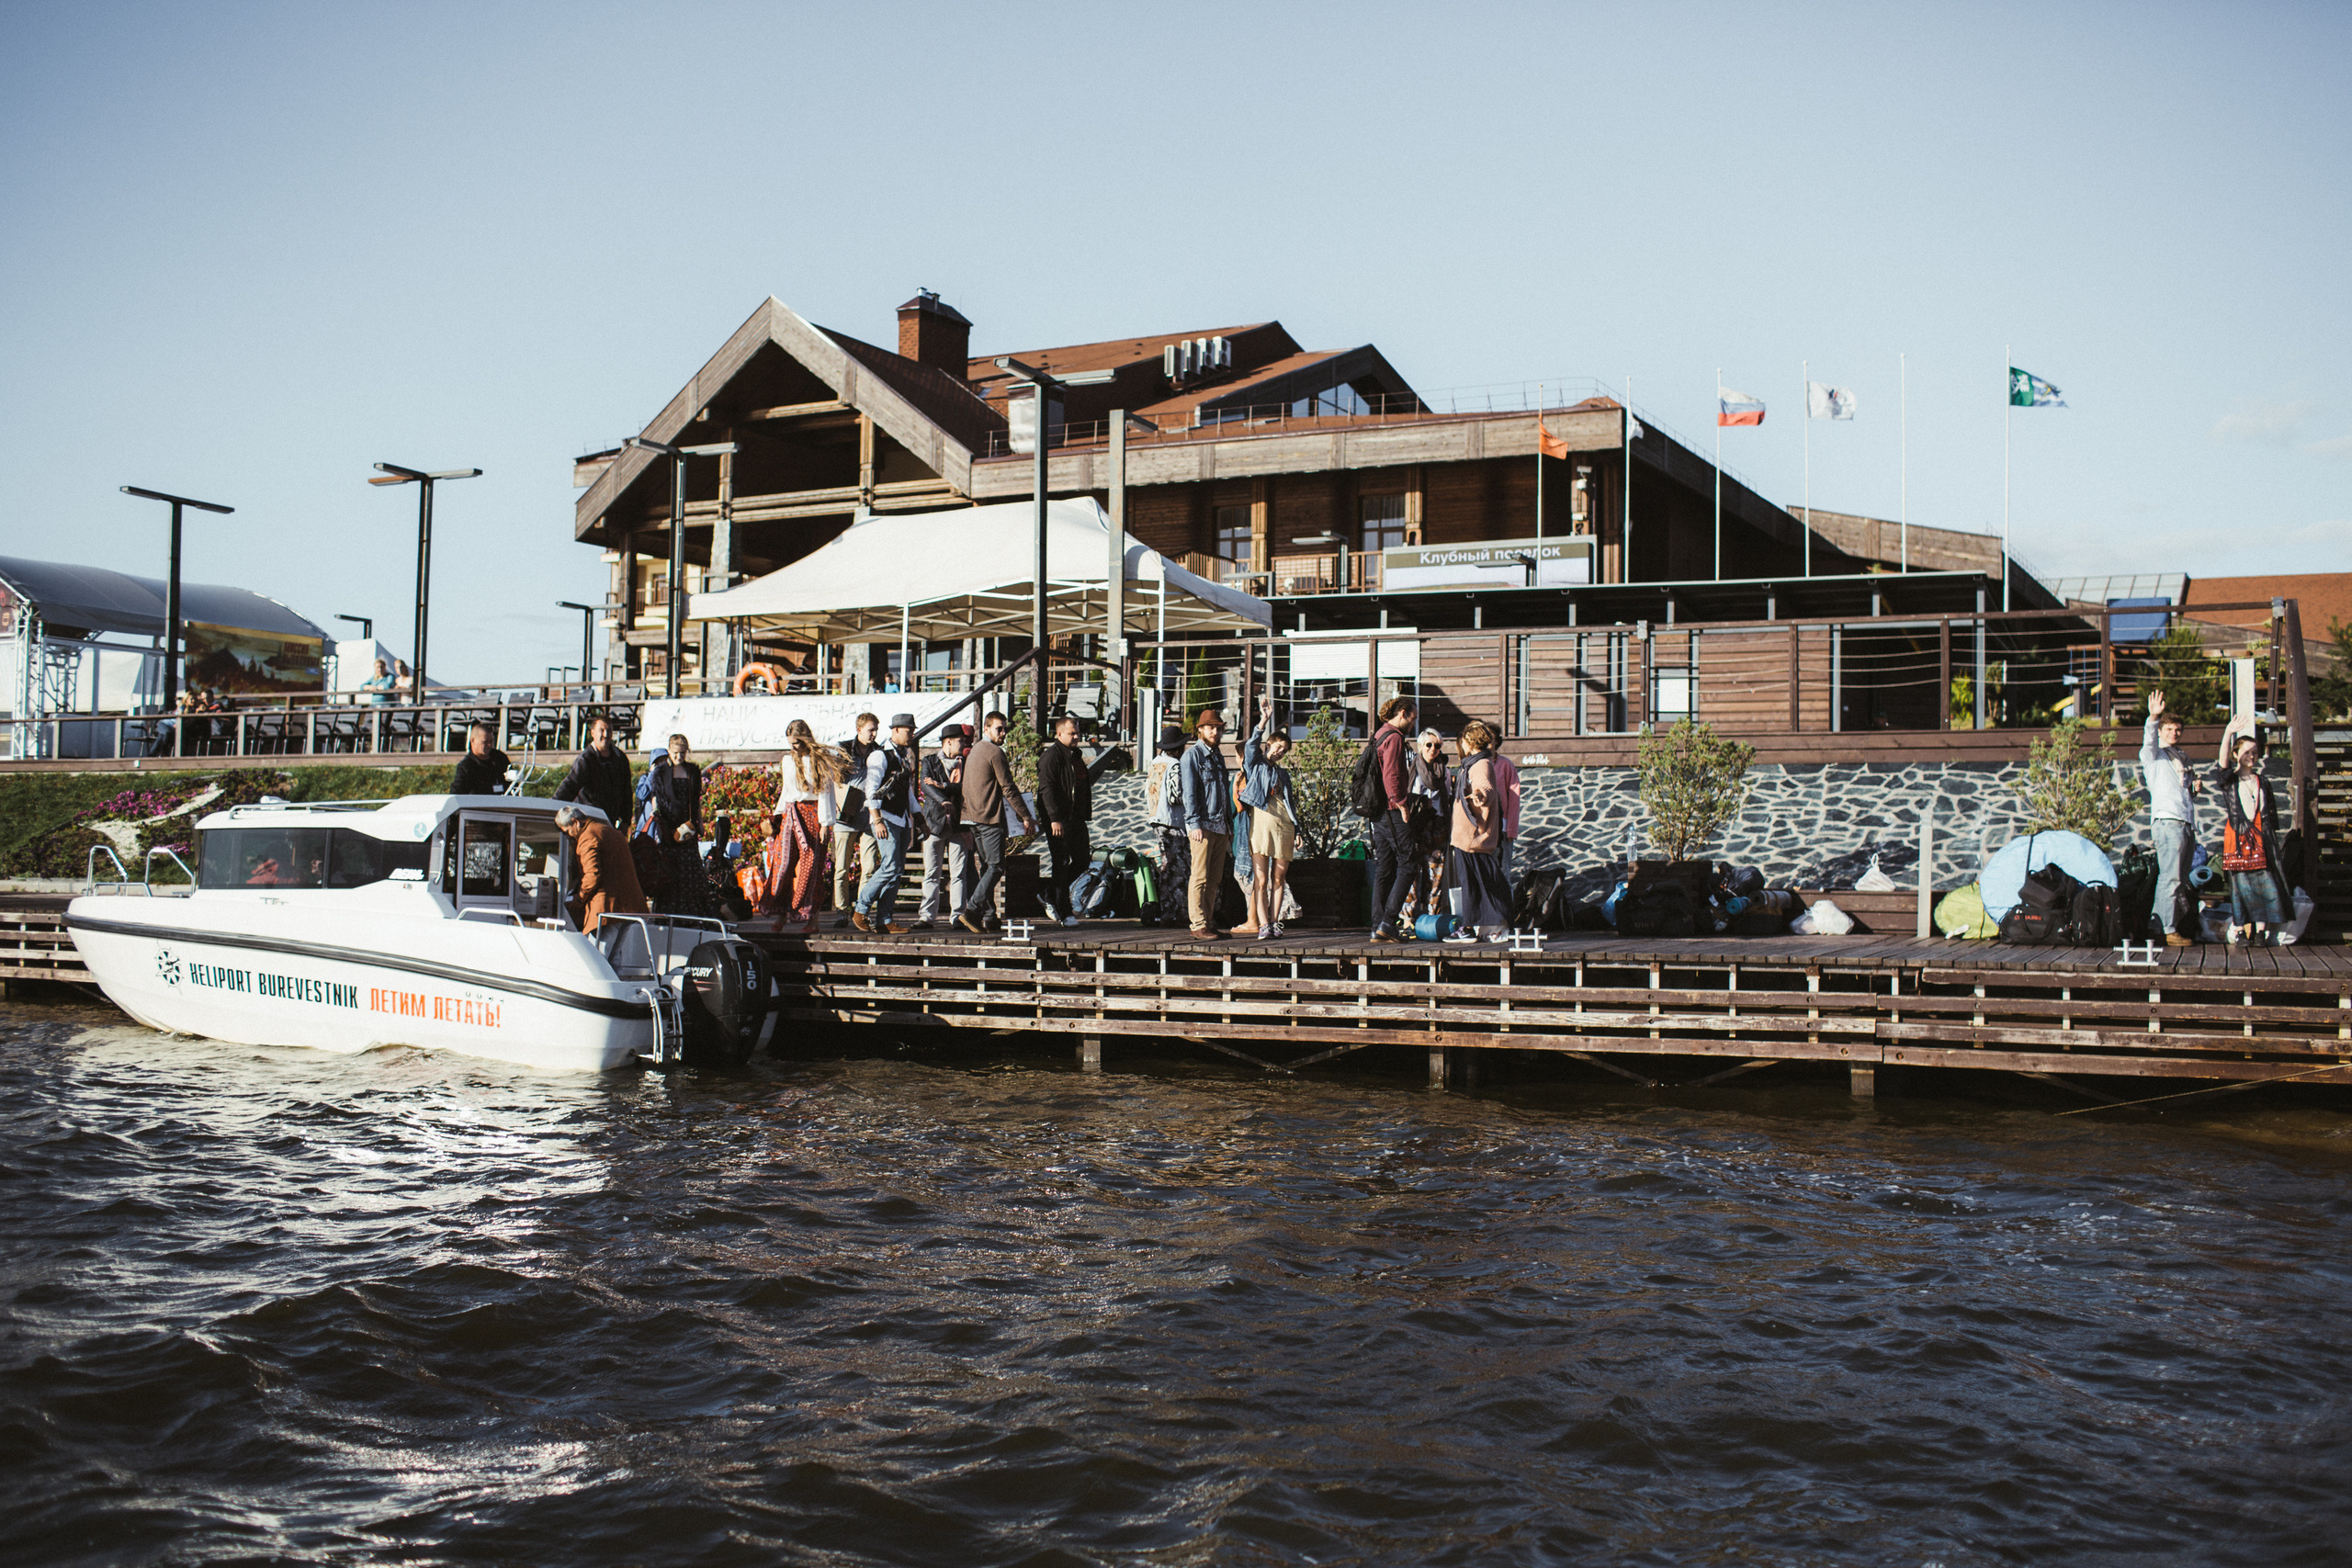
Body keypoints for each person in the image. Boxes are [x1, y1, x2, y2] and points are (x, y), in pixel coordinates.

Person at [2212, 713, 2292, 946]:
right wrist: (2228, 732)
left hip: (2261, 837)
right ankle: (2245, 932)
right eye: (2246, 751)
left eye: (2255, 752)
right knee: (2242, 886)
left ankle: (2260, 932)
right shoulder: (2230, 780)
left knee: (2266, 884)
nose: (2251, 756)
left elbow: (2271, 815)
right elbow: (2222, 763)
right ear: (2237, 754)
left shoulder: (2262, 781)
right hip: (2238, 839)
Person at [955, 710, 1035, 935]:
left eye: (1005, 729)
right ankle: (972, 911)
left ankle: (990, 917)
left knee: (988, 868)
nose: (1003, 733)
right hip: (988, 818)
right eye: (999, 728)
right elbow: (1008, 787)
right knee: (997, 866)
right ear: (987, 728)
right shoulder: (994, 752)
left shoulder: (976, 750)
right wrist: (1026, 816)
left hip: (972, 817)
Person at [761, 717, 842, 933]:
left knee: (812, 868)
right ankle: (781, 913)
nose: (793, 746)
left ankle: (811, 919)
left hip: (813, 813)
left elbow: (826, 792)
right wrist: (776, 817)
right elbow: (786, 792)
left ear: (805, 739)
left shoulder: (819, 761)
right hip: (790, 813)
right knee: (783, 864)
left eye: (796, 742)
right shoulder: (787, 761)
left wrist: (826, 823)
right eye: (790, 742)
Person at [2140, 689, 2199, 946]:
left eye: (2177, 730)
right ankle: (2167, 928)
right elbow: (2149, 740)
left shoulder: (2180, 757)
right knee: (2170, 877)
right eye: (2169, 729)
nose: (2173, 734)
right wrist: (2153, 717)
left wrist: (2192, 789)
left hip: (2184, 822)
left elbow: (2181, 793)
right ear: (2161, 731)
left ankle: (2163, 925)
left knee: (2179, 879)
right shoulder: (2154, 756)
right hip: (2167, 822)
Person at [850, 713, 918, 934]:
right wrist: (876, 819)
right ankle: (860, 909)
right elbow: (871, 789)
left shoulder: (903, 755)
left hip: (901, 819)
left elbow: (907, 791)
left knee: (896, 871)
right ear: (896, 730)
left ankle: (884, 920)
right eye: (909, 730)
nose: (912, 734)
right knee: (889, 866)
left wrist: (920, 818)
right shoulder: (880, 755)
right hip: (886, 818)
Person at [1443, 721, 1511, 943]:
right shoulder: (1471, 764)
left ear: (1470, 741)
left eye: (1464, 739)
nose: (1461, 742)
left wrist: (1480, 795)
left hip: (1472, 836)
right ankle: (1477, 926)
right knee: (1476, 882)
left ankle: (1471, 927)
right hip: (1467, 835)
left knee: (1474, 883)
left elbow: (1487, 789)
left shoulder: (1480, 764)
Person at [1238, 694, 1297, 940]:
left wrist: (1299, 830)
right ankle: (1263, 924)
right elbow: (1251, 746)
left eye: (1283, 751)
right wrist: (1263, 720)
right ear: (1269, 744)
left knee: (1279, 877)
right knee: (1260, 879)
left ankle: (1274, 923)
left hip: (1283, 825)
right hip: (1260, 825)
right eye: (1277, 747)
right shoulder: (1256, 765)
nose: (1279, 752)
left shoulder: (1284, 776)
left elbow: (1291, 804)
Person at [1367, 697, 1419, 942]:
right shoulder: (1395, 737)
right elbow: (1391, 775)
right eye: (1413, 717)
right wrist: (1402, 805)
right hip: (1391, 810)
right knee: (1409, 864)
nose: (1413, 723)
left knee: (1385, 869)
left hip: (1377, 812)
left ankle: (1378, 926)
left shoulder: (1379, 734)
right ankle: (1388, 922)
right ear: (1402, 713)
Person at [1035, 713, 1094, 927]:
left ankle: (1050, 893)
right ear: (1059, 734)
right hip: (1060, 819)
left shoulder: (1075, 756)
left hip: (1076, 819)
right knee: (1060, 863)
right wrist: (1054, 818)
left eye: (1078, 733)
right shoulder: (1051, 757)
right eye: (1072, 733)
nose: (1077, 737)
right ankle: (1064, 911)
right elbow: (1047, 789)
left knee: (1082, 861)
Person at [913, 724, 973, 931]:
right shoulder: (930, 760)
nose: (964, 744)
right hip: (934, 823)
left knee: (959, 873)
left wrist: (944, 786)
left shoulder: (966, 763)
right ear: (948, 742)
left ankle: (957, 916)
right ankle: (927, 917)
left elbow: (967, 787)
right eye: (961, 741)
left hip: (958, 825)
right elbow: (925, 785)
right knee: (931, 872)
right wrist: (943, 799)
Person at [649, 733, 715, 918]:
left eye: (683, 753)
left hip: (688, 828)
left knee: (692, 872)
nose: (679, 757)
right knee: (671, 871)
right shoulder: (660, 772)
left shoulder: (692, 771)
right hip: (669, 828)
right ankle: (671, 914)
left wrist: (700, 822)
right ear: (669, 751)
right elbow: (656, 798)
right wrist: (657, 818)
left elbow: (696, 800)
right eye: (676, 753)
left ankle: (695, 914)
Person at [1180, 706, 1232, 941]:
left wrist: (1228, 826)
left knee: (1214, 879)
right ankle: (1198, 924)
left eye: (1218, 728)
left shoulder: (1218, 755)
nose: (1215, 732)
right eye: (1211, 728)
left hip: (1220, 825)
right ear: (1200, 730)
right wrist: (1193, 824)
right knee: (1199, 876)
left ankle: (1208, 922)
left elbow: (1222, 791)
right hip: (1202, 824)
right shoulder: (1192, 755)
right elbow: (1189, 792)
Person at [554, 805, 647, 933]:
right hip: (630, 907)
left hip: (608, 908)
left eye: (567, 831)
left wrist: (579, 898)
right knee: (615, 953)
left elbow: (592, 876)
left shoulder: (588, 837)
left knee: (596, 951)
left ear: (575, 822)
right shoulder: (609, 830)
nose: (569, 836)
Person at [831, 713, 882, 928]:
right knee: (841, 865)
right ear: (859, 729)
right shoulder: (843, 748)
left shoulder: (878, 751)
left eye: (876, 729)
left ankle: (861, 909)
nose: (874, 734)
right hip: (846, 810)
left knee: (869, 865)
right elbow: (829, 776)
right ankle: (842, 910)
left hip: (869, 812)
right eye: (871, 729)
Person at [1405, 728, 1453, 924]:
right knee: (1412, 871)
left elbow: (1447, 799)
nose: (1433, 749)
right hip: (1417, 825)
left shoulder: (1445, 772)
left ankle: (1434, 917)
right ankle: (1408, 917)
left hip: (1438, 825)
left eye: (1437, 746)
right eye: (1429, 745)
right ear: (1421, 747)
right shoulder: (1411, 768)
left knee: (1436, 873)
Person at [553, 715, 634, 830]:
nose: (606, 735)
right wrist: (553, 808)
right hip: (588, 822)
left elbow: (627, 792)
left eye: (609, 731)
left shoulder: (620, 759)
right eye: (602, 730)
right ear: (592, 733)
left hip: (610, 822)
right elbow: (570, 786)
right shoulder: (585, 760)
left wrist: (626, 821)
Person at [1146, 724, 1190, 928]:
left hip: (1156, 817)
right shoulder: (1174, 765)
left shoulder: (1155, 763)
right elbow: (1175, 796)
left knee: (1167, 865)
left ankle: (1167, 912)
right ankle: (1178, 912)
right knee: (1179, 868)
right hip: (1172, 820)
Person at [1490, 743, 1522, 893]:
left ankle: (1506, 914)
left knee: (1503, 875)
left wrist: (1511, 829)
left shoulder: (1506, 765)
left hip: (1502, 828)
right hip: (1483, 829)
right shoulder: (1475, 764)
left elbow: (1514, 799)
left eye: (1491, 740)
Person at [450, 721, 512, 795]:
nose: (489, 745)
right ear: (473, 741)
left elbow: (513, 786)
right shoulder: (466, 767)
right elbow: (456, 795)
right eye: (485, 742)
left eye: (491, 741)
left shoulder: (500, 759)